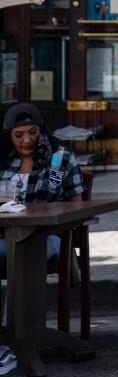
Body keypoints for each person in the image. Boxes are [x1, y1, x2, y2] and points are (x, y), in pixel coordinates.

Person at [0, 103, 84, 275]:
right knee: (8, 250)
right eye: (18, 135)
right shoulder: (3, 161)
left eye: (33, 132)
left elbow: (78, 205)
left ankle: (23, 300)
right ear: (9, 136)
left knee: (28, 252)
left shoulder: (60, 160)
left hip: (48, 235)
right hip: (6, 234)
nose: (27, 140)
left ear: (42, 131)